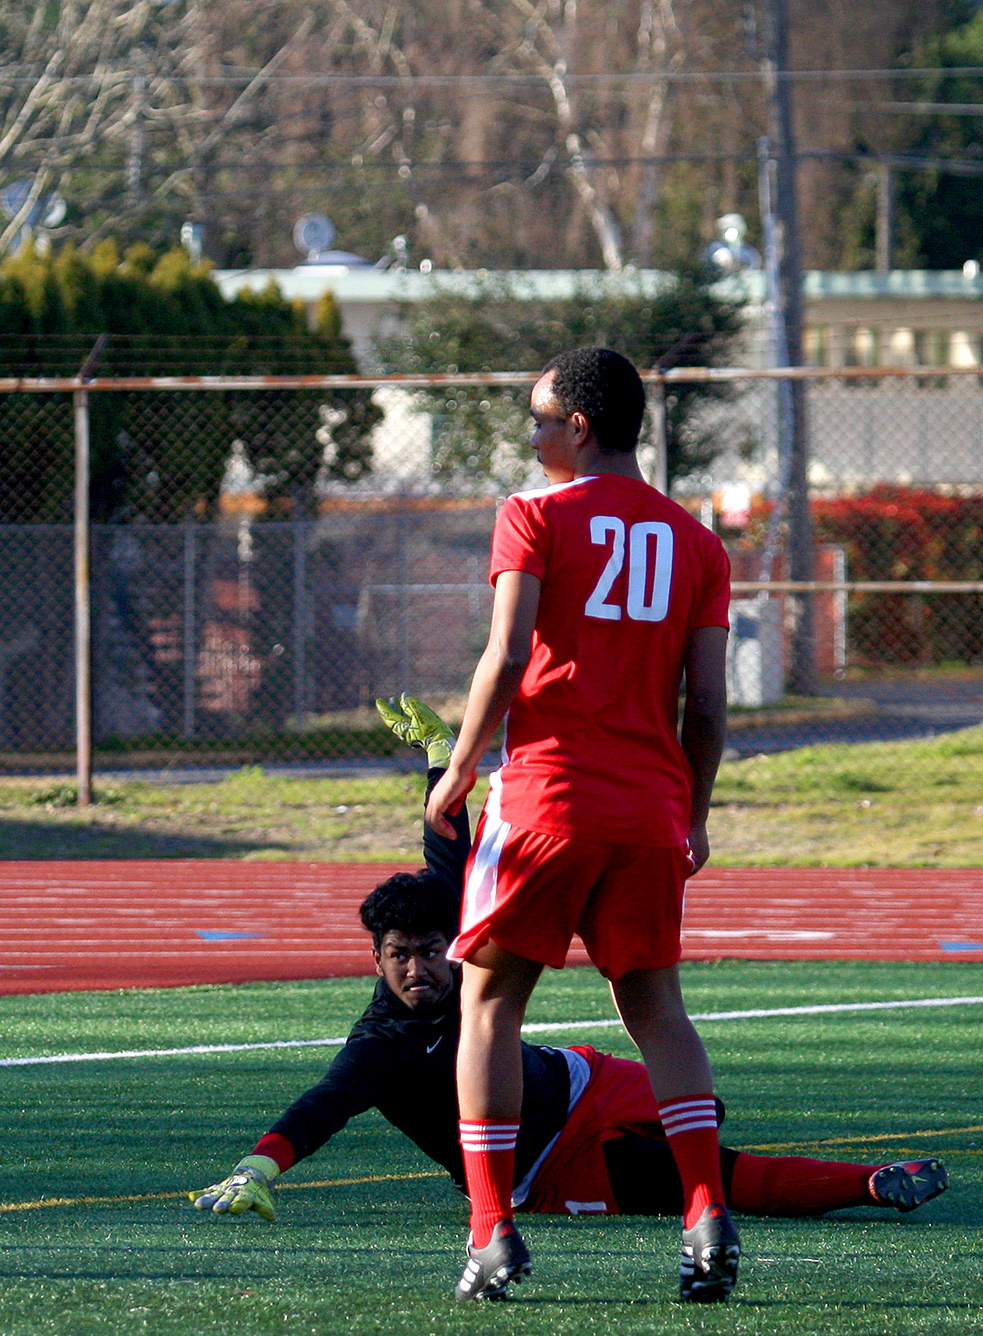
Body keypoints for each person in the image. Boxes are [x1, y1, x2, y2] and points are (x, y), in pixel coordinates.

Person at [190, 756, 949, 1258]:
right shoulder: (382, 1041)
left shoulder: (460, 954)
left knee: (701, 1107)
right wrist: (260, 1165)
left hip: (584, 1079)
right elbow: (323, 1104)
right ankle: (871, 1183)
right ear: (376, 960)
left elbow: (447, 862)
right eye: (400, 956)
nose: (419, 968)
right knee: (701, 1175)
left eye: (430, 950)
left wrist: (438, 764)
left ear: (453, 943)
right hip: (550, 1164)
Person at [421, 346, 739, 1301]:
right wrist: (694, 809)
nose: (532, 435)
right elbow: (711, 706)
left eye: (540, 419)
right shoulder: (698, 542)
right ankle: (706, 1213)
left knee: (489, 1006)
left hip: (547, 801)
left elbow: (508, 652)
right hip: (647, 809)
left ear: (580, 426)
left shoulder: (532, 515)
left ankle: (491, 1232)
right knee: (658, 1012)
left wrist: (464, 763)